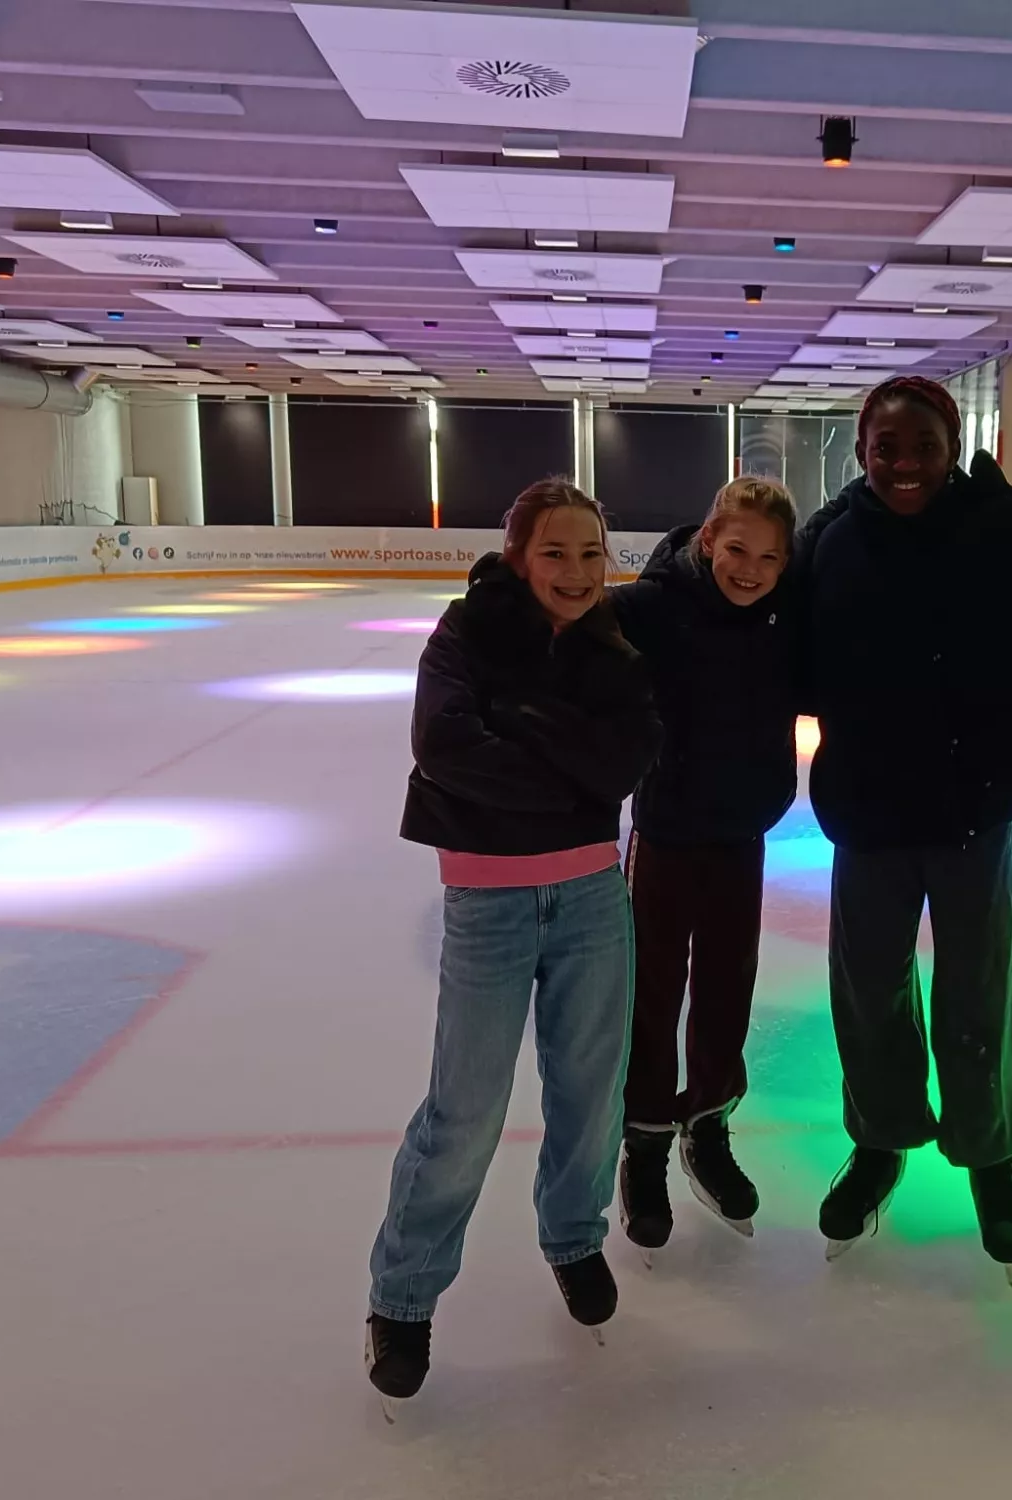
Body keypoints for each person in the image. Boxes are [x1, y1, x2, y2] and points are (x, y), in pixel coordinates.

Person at [366, 479, 662, 1409]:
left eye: (591, 554)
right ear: (518, 556)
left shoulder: (615, 645)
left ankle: (573, 1237)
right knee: (466, 1109)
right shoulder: (466, 633)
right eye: (555, 553)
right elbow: (445, 747)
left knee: (591, 1092)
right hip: (489, 901)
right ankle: (402, 1296)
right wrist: (568, 769)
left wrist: (529, 735)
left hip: (590, 898)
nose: (576, 572)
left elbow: (625, 765)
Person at [795, 376, 1012, 1273]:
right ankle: (881, 1140)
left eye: (924, 445)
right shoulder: (832, 542)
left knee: (979, 986)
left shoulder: (999, 529)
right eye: (887, 447)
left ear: (953, 446)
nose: (905, 463)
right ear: (862, 451)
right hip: (868, 808)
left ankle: (992, 1155)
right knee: (869, 987)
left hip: (971, 807)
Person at [608, 477, 801, 1249]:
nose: (751, 570)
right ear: (709, 538)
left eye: (769, 558)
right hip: (665, 832)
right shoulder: (650, 608)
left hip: (741, 834)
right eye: (738, 550)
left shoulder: (786, 617)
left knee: (727, 987)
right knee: (652, 994)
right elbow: (565, 636)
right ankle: (646, 1142)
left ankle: (709, 1124)